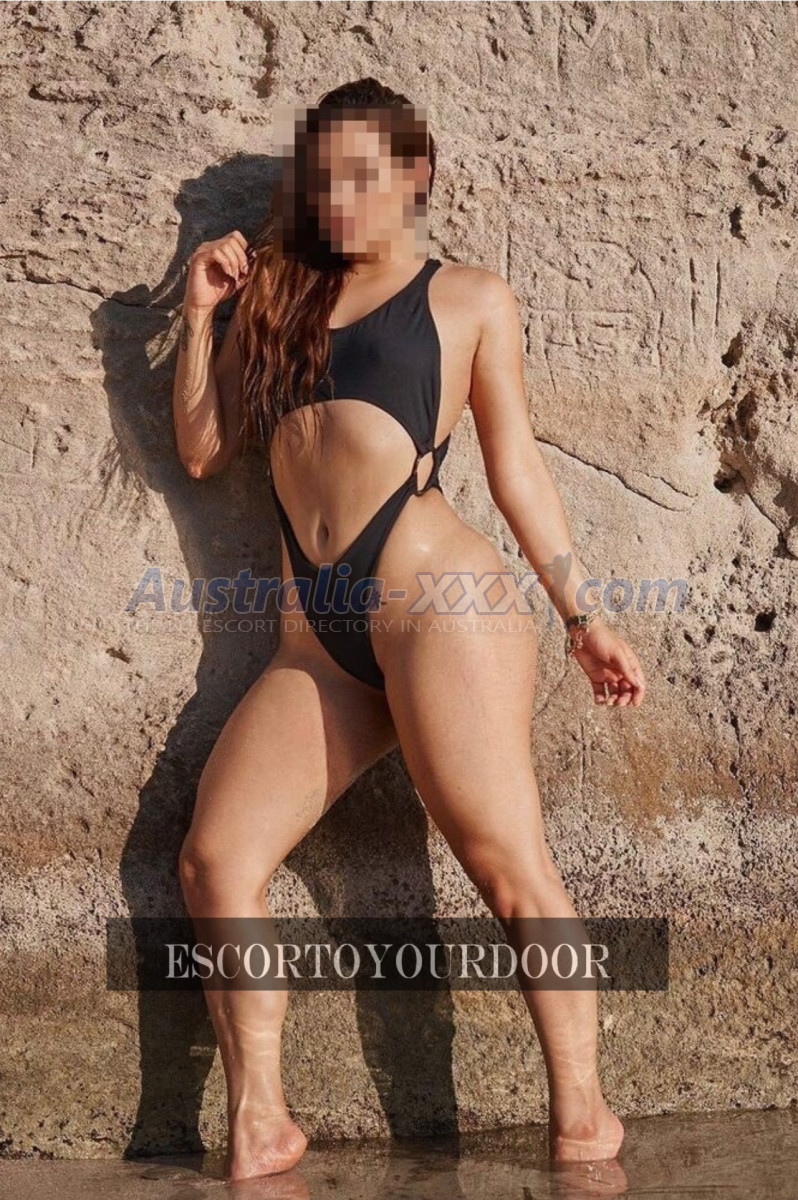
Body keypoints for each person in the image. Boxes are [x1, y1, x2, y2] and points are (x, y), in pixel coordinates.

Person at [172, 77, 644, 1182]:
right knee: (215, 861)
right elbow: (202, 449)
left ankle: (584, 1117)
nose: (336, 200)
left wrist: (584, 615)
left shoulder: (468, 297)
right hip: (317, 643)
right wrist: (199, 316)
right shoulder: (275, 293)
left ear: (414, 173)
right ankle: (261, 1121)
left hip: (443, 610)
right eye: (320, 180)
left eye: (360, 177)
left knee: (507, 868)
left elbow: (516, 471)